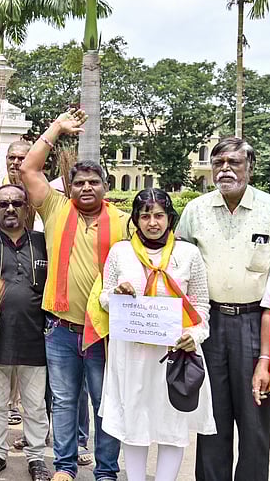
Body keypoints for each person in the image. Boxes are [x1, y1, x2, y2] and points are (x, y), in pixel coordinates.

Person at [19, 109, 127, 481]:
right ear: (70, 187)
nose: (85, 188)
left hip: (105, 330)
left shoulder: (125, 222)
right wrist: (56, 129)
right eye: (78, 182)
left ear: (105, 187)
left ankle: (107, 470)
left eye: (93, 183)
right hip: (61, 328)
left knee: (104, 404)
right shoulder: (55, 209)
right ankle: (64, 467)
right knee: (64, 402)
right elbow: (29, 171)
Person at [99, 188, 216, 481]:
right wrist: (117, 293)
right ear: (136, 220)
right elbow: (103, 298)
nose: (153, 222)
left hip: (175, 354)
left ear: (170, 218)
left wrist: (196, 335)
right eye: (145, 215)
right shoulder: (120, 252)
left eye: (159, 215)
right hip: (133, 353)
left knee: (172, 424)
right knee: (133, 422)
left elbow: (201, 304)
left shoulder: (188, 253)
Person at [178, 137, 270, 481]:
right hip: (208, 324)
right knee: (211, 421)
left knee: (255, 420)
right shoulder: (196, 211)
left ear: (251, 165)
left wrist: (267, 354)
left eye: (234, 162)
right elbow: (180, 269)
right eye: (219, 163)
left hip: (255, 324)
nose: (225, 169)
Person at [0, 184, 51, 481]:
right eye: (3, 203)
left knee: (34, 404)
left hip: (36, 338)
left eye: (16, 203)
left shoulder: (44, 243)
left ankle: (36, 457)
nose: (10, 208)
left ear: (27, 208)